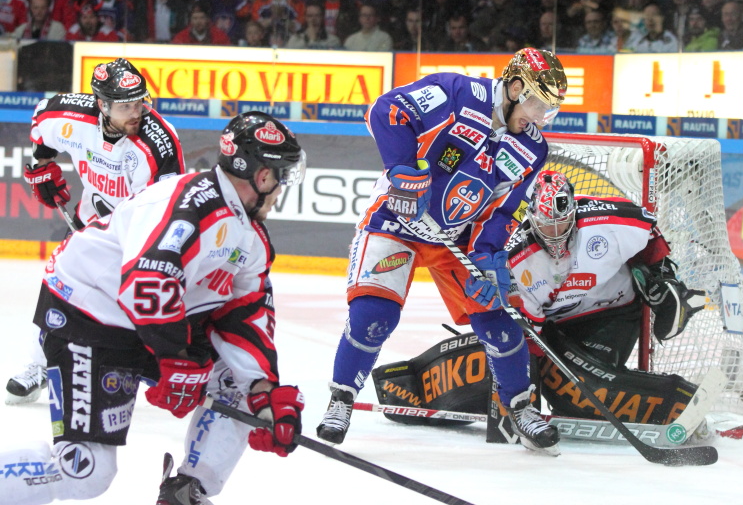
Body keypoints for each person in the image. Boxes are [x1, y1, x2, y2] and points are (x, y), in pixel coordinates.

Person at [0, 111, 308, 505]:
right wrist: (177, 358)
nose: (280, 188)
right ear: (262, 176)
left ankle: (186, 491)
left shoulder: (251, 237)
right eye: (279, 175)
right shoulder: (189, 204)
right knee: (86, 471)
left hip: (145, 324)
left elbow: (244, 313)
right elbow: (146, 283)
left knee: (237, 385)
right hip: (88, 314)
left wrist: (265, 390)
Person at [315, 48, 568, 456]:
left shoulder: (532, 149)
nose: (540, 118)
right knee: (373, 316)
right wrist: (401, 170)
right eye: (538, 104)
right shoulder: (455, 91)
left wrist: (487, 255)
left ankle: (520, 408)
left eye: (548, 110)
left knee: (498, 320)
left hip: (457, 239)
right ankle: (342, 399)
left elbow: (505, 209)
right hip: (397, 221)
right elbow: (387, 110)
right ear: (516, 87)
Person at [6, 58, 185, 408]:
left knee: (143, 307)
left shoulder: (158, 143)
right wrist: (40, 167)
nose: (137, 112)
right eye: (126, 105)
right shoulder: (71, 117)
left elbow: (166, 211)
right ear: (102, 104)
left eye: (141, 101)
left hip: (140, 239)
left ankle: (176, 368)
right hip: (91, 226)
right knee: (58, 282)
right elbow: (42, 121)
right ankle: (38, 364)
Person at [506, 171, 705, 418]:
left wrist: (660, 274)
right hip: (555, 326)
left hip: (613, 312)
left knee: (594, 394)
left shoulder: (607, 221)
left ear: (574, 212)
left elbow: (649, 230)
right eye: (547, 225)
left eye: (563, 223)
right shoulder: (516, 258)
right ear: (532, 219)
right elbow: (529, 331)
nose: (556, 233)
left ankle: (680, 401)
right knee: (566, 392)